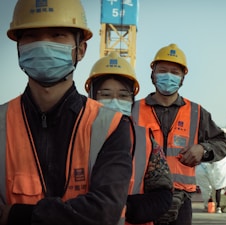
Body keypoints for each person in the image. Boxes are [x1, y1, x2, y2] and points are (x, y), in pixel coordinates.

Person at [0, 1, 133, 225]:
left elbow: (104, 210)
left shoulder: (109, 125)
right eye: (32, 36)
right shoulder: (2, 122)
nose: (43, 44)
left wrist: (15, 215)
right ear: (19, 48)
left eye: (57, 35)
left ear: (80, 50)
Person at [132, 43, 226, 225]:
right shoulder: (134, 109)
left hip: (181, 199)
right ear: (152, 74)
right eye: (163, 70)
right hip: (141, 197)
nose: (168, 76)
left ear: (183, 77)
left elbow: (222, 142)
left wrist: (203, 148)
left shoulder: (196, 112)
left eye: (175, 72)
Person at [85, 52, 174, 225]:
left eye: (123, 96)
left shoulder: (146, 140)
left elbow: (162, 195)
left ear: (132, 99)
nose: (115, 101)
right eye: (106, 94)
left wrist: (123, 208)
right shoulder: (75, 133)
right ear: (92, 96)